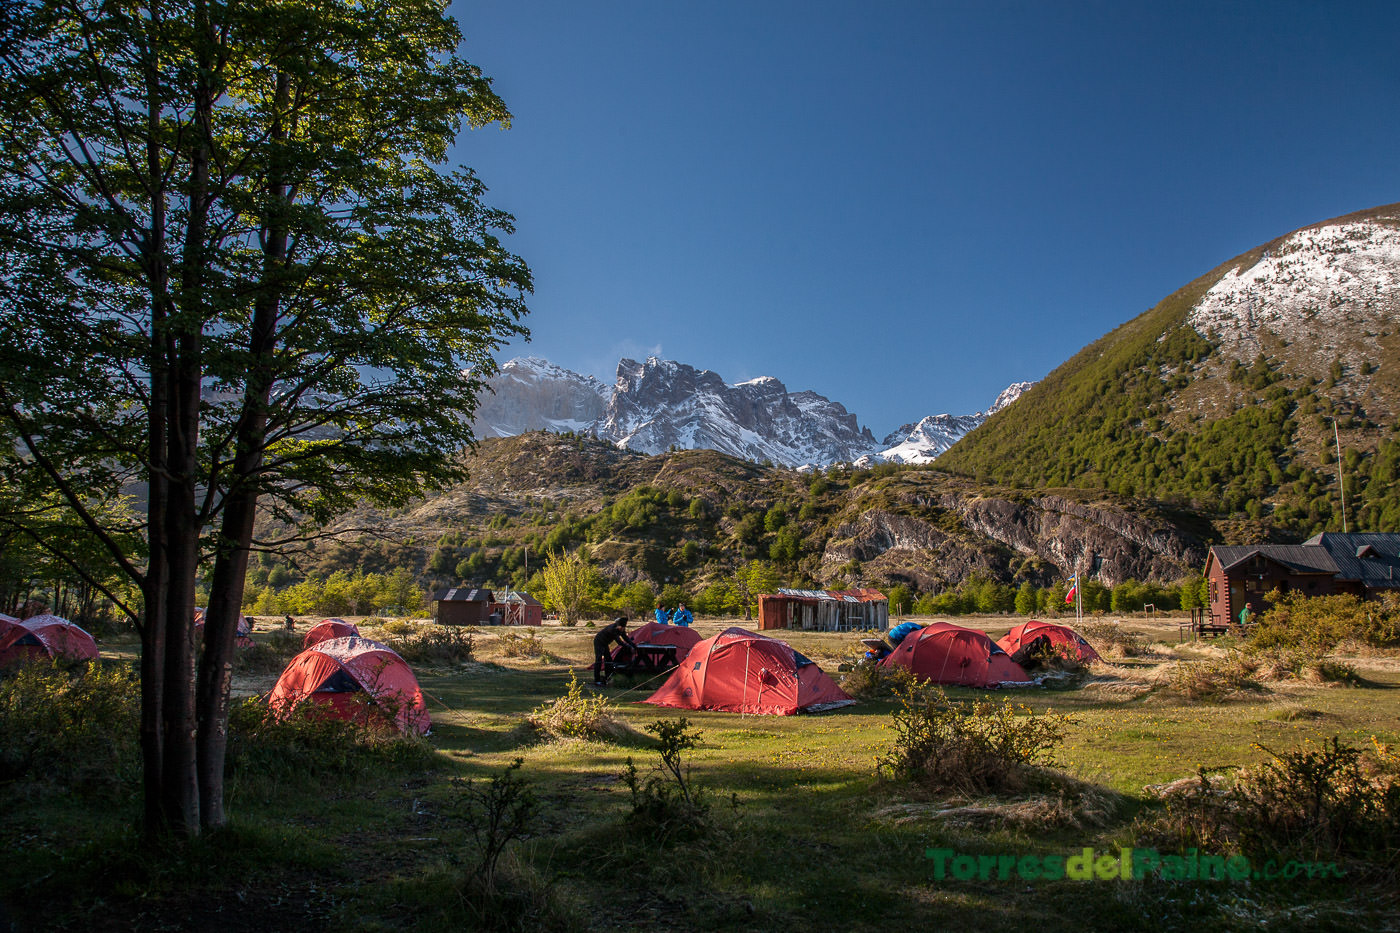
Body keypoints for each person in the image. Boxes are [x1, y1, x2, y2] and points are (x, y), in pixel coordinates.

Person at [592, 617, 636, 686]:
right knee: (599, 660)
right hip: (599, 642)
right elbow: (619, 642)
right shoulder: (612, 629)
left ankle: (607, 677)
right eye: (621, 627)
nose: (623, 629)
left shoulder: (621, 629)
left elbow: (625, 638)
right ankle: (597, 680)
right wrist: (629, 647)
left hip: (605, 643)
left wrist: (633, 645)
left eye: (623, 627)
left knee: (608, 659)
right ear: (618, 626)